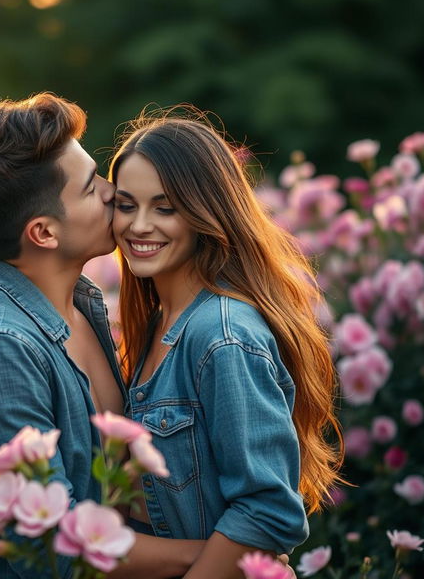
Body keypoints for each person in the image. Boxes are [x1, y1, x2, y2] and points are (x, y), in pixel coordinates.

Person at [0, 93, 205, 578]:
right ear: (44, 233)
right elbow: (54, 548)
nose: (113, 191)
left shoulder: (79, 303)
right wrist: (218, 556)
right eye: (91, 187)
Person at [109, 109, 344, 578]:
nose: (138, 226)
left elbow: (268, 509)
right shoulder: (156, 322)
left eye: (165, 207)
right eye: (126, 204)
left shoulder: (222, 337)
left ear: (204, 212)